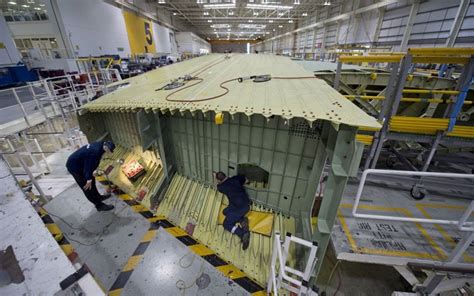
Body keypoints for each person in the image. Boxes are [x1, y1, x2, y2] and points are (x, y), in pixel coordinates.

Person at [66, 141, 116, 211]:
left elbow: (95, 161)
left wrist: (94, 171)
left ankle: (98, 197)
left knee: (92, 183)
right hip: (75, 167)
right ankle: (99, 206)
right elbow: (88, 167)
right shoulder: (94, 152)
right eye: (108, 150)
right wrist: (88, 179)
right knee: (87, 187)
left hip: (81, 163)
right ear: (106, 147)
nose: (108, 152)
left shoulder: (100, 145)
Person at [214, 171, 251, 250]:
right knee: (225, 211)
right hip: (246, 204)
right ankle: (242, 220)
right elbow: (247, 180)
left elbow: (217, 186)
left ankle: (243, 233)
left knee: (226, 224)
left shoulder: (222, 187)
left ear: (218, 180)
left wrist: (216, 177)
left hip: (238, 209)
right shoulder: (236, 178)